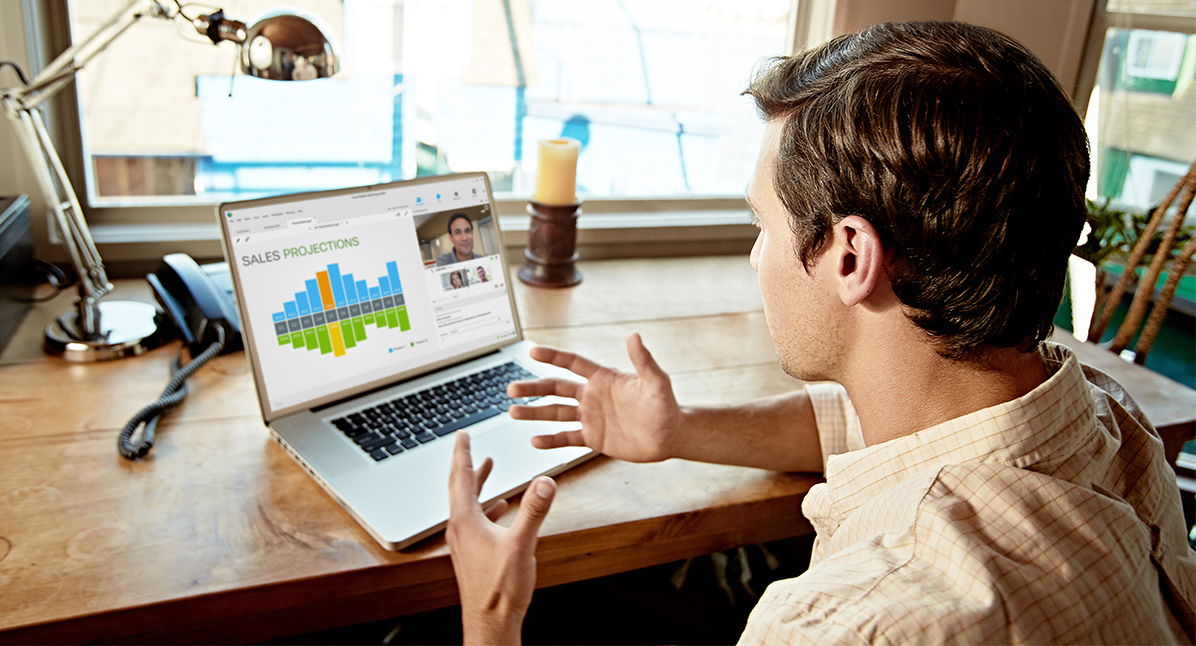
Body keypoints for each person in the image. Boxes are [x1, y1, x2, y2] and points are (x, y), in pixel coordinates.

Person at [446, 21, 1196, 645]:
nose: (755, 255)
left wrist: (491, 617)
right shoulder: (1101, 414)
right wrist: (676, 429)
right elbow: (873, 429)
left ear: (848, 256)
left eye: (761, 225)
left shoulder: (852, 622)